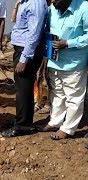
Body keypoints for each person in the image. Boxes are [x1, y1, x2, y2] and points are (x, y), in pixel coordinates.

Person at [39, 0, 88, 140]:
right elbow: (48, 30)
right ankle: (55, 121)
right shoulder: (52, 9)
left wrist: (68, 43)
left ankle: (68, 128)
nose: (52, 1)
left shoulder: (84, 8)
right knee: (57, 93)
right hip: (54, 61)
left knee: (74, 97)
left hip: (74, 63)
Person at [1, 0, 48, 137]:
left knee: (23, 89)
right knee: (22, 88)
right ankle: (21, 120)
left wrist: (24, 58)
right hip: (22, 48)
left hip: (26, 51)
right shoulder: (25, 2)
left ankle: (23, 125)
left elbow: (34, 33)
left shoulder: (35, 3)